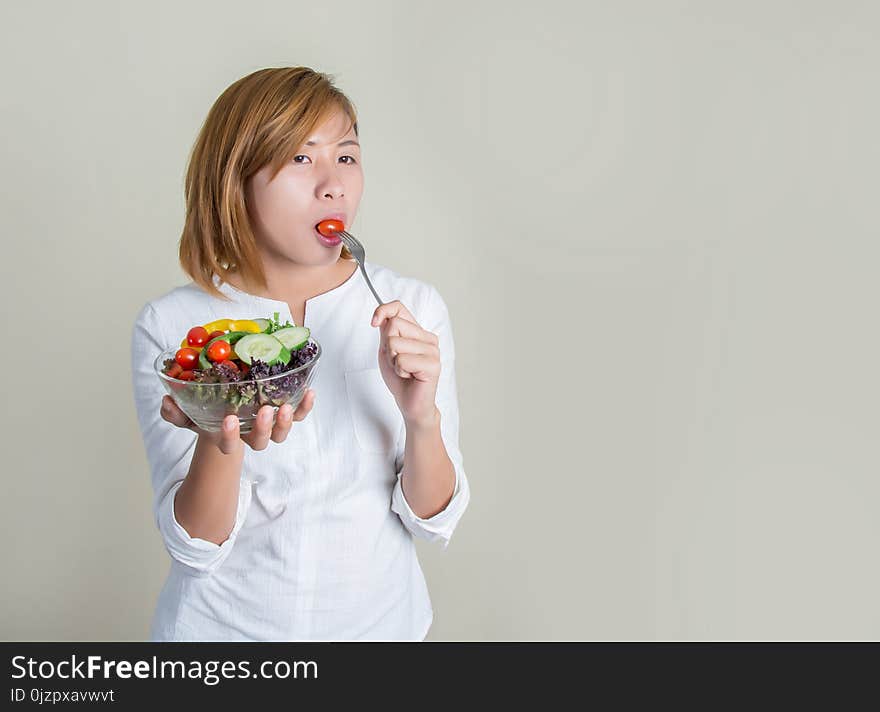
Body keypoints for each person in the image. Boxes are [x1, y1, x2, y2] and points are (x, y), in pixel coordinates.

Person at [129, 67, 470, 641]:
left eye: (346, 156)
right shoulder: (175, 328)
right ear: (236, 179)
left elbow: (435, 519)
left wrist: (421, 416)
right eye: (300, 159)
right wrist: (220, 434)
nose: (333, 185)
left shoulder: (411, 307)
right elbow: (195, 547)